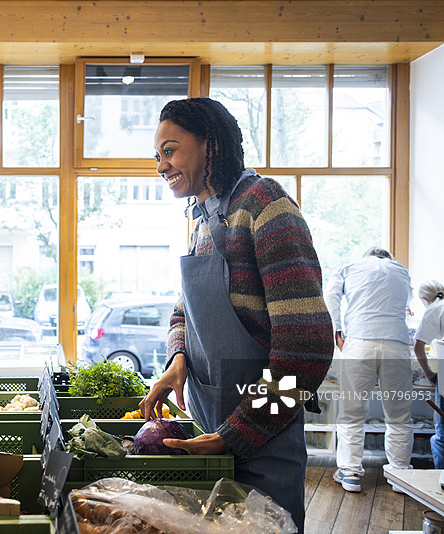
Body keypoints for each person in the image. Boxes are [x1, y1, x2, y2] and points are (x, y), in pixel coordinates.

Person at [140, 97, 334, 532]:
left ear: (210, 144)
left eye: (169, 151)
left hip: (262, 445)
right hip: (209, 433)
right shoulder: (202, 219)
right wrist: (178, 362)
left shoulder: (265, 206)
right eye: (157, 156)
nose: (160, 166)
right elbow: (183, 307)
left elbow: (307, 349)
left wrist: (235, 435)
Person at [324, 247, 414, 493]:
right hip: (396, 344)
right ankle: (400, 475)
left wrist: (337, 330)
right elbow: (408, 303)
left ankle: (351, 472)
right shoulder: (401, 271)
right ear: (388, 258)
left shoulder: (350, 267)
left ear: (368, 256)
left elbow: (331, 295)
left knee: (352, 411)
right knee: (399, 414)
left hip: (360, 343)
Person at [412, 280, 444, 468]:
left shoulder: (434, 310)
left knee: (442, 434)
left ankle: (440, 482)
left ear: (423, 299)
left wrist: (430, 374)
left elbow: (418, 348)